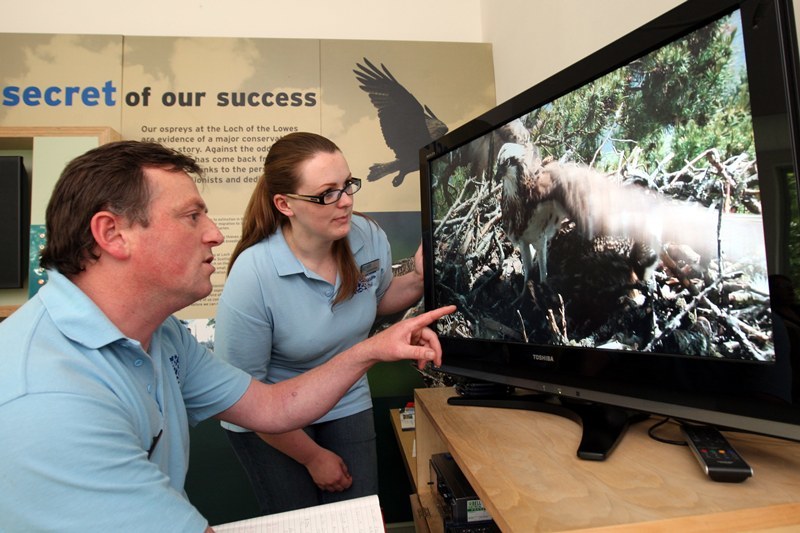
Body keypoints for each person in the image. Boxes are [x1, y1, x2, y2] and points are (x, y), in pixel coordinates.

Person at [0, 140, 454, 532]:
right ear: (112, 234)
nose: (215, 235)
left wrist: (372, 348)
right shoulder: (47, 399)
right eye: (191, 216)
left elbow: (271, 406)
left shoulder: (164, 337)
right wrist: (314, 455)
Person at [214, 132, 425, 514]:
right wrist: (313, 457)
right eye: (327, 193)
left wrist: (420, 277)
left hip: (346, 396)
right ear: (285, 204)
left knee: (356, 514)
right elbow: (244, 397)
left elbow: (377, 301)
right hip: (270, 415)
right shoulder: (254, 273)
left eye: (347, 185)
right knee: (301, 520)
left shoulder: (365, 236)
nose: (345, 201)